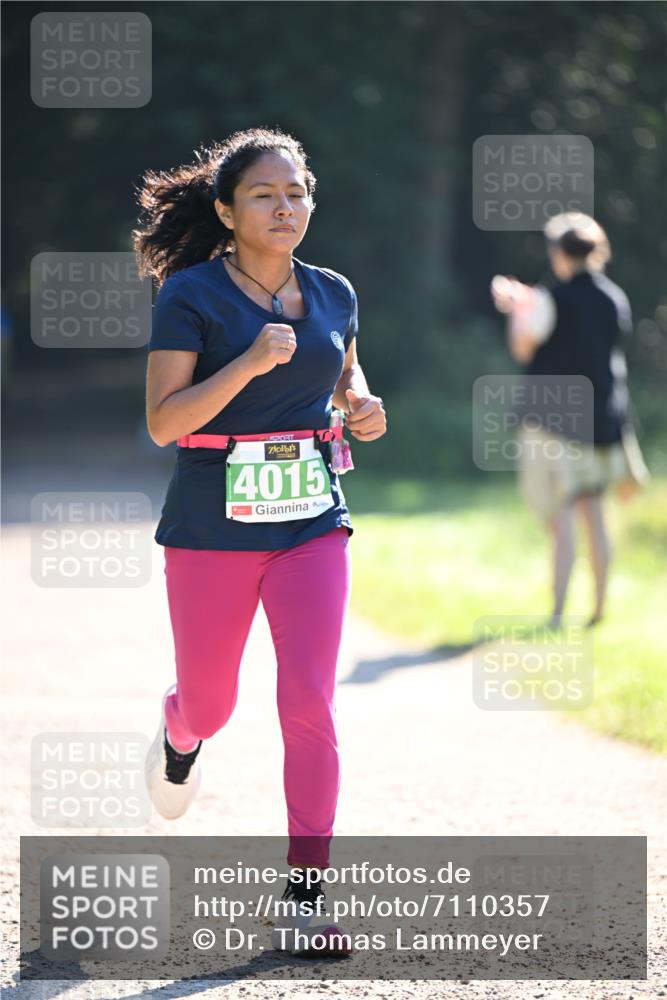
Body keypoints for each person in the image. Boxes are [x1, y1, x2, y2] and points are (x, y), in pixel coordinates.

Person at [132, 126, 387, 954]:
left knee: (309, 701)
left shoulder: (335, 292)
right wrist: (243, 365)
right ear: (226, 210)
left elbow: (342, 373)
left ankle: (305, 895)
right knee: (214, 703)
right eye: (264, 195)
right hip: (211, 525)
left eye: (297, 192)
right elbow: (165, 423)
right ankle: (179, 731)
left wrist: (361, 404)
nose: (285, 208)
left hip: (310, 520)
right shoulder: (192, 296)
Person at [491, 212, 649, 628]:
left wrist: (516, 311)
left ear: (559, 252)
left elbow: (524, 348)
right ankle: (598, 609)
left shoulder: (551, 297)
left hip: (552, 423)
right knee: (594, 513)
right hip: (602, 420)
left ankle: (558, 613)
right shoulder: (615, 297)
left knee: (559, 518)